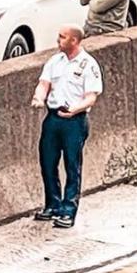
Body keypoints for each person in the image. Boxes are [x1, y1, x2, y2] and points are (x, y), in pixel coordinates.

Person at [30, 25, 103, 229]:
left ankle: (68, 210)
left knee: (72, 165)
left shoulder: (88, 64)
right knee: (48, 162)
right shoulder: (55, 61)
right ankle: (52, 204)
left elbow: (91, 96)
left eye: (62, 37)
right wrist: (39, 97)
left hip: (74, 120)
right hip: (53, 117)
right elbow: (44, 83)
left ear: (74, 41)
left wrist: (75, 109)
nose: (58, 40)